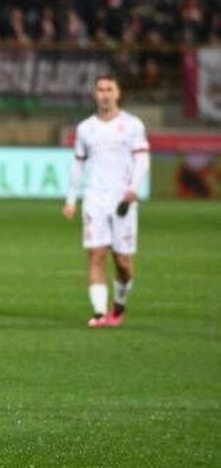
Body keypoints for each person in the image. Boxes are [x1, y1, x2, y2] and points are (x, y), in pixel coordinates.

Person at [62, 74, 149, 326]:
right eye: (100, 90)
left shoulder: (133, 125)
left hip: (122, 199)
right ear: (95, 94)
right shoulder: (85, 128)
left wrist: (133, 188)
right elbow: (78, 165)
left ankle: (118, 306)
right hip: (95, 198)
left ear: (118, 93)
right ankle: (99, 313)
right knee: (96, 254)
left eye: (109, 89)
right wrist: (71, 200)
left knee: (122, 262)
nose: (105, 94)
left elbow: (142, 159)